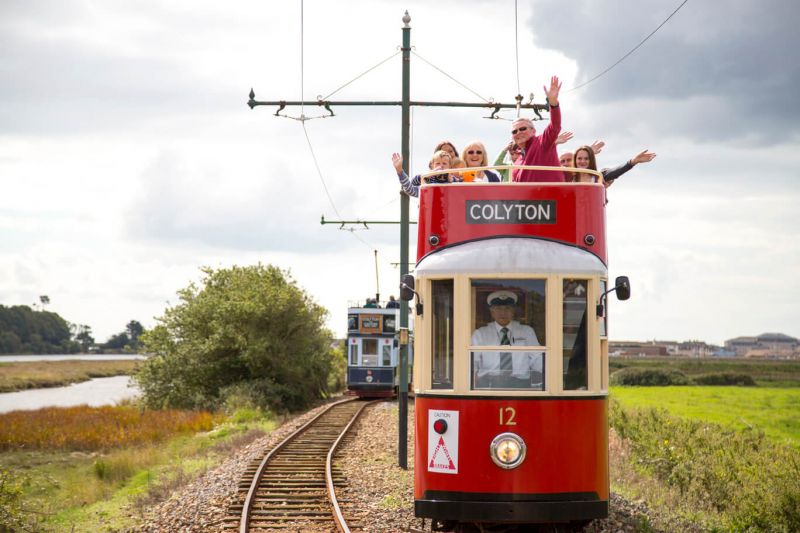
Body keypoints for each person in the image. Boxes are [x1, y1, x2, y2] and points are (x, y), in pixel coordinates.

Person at [471, 290, 544, 389]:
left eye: (507, 308)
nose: (503, 312)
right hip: (489, 384)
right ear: (492, 312)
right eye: (498, 308)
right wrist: (471, 388)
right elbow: (472, 364)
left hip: (520, 385)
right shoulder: (480, 334)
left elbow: (537, 358)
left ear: (513, 311)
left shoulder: (526, 332)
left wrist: (550, 376)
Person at [511, 76, 562, 183]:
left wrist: (553, 103)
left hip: (549, 198)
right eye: (514, 131)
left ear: (533, 131)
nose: (518, 132)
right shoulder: (516, 163)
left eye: (522, 129)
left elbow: (555, 126)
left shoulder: (542, 142)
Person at [571, 145, 657, 186]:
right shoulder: (568, 177)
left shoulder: (598, 178)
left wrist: (633, 161)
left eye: (586, 159)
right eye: (579, 158)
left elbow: (614, 172)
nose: (582, 161)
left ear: (591, 160)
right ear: (575, 160)